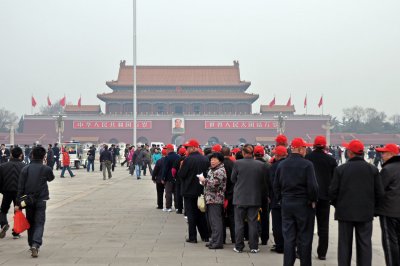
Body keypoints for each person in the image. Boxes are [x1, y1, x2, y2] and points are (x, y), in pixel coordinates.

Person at [329, 139, 384, 266]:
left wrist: (338, 204)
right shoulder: (373, 170)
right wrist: (373, 209)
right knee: (365, 244)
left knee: (344, 245)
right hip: (365, 213)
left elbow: (332, 192)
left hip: (345, 212)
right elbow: (380, 193)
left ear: (349, 153)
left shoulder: (341, 170)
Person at [274, 137, 319, 266]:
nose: (306, 150)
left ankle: (288, 263)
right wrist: (313, 199)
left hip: (287, 203)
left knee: (289, 237)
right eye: (304, 148)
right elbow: (313, 186)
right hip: (303, 204)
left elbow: (276, 185)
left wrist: (281, 199)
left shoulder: (282, 164)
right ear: (299, 149)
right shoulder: (307, 164)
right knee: (305, 237)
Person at [15, 146, 55, 258]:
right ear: (43, 156)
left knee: (30, 222)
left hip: (28, 201)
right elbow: (51, 178)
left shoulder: (25, 169)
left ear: (32, 155)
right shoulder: (46, 169)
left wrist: (18, 204)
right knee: (39, 223)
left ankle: (31, 243)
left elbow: (20, 188)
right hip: (41, 199)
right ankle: (36, 244)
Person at [231, 144, 269, 254]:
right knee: (253, 223)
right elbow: (263, 181)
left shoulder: (237, 163)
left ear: (243, 153)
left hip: (239, 198)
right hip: (254, 198)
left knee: (239, 223)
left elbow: (233, 179)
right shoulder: (260, 165)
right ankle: (254, 246)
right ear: (252, 153)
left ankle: (239, 246)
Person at [305, 136, 338, 260]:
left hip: (309, 197)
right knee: (323, 226)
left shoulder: (307, 158)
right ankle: (322, 253)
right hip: (324, 197)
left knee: (307, 226)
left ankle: (305, 250)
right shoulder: (331, 160)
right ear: (324, 146)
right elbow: (334, 181)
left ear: (313, 145)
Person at [177, 139, 209, 243]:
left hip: (189, 191)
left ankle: (193, 237)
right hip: (201, 190)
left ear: (194, 147)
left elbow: (181, 175)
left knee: (191, 215)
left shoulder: (187, 160)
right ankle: (205, 236)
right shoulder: (205, 159)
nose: (186, 149)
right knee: (201, 214)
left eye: (188, 147)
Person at [374, 143, 400, 266]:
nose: (382, 155)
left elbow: (379, 189)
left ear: (391, 154)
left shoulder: (388, 169)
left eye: (384, 153)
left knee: (390, 242)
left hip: (389, 211)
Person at [198, 152, 227, 249]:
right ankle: (214, 240)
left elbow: (215, 184)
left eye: (215, 159)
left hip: (216, 199)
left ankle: (218, 243)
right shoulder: (212, 170)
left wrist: (203, 180)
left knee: (216, 222)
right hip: (210, 198)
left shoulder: (220, 171)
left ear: (220, 161)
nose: (212, 161)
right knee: (212, 222)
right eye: (211, 159)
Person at [0, 147, 25, 239]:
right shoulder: (24, 166)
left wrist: (2, 191)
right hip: (19, 193)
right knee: (18, 211)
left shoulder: (3, 166)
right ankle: (16, 232)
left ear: (11, 154)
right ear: (21, 155)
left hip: (7, 191)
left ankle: (4, 224)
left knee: (3, 210)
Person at [162, 144, 180, 212]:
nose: (165, 150)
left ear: (169, 149)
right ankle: (177, 207)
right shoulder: (178, 156)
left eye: (166, 149)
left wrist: (163, 178)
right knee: (176, 193)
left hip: (169, 178)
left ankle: (168, 207)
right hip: (176, 178)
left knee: (168, 193)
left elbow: (165, 169)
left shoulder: (167, 157)